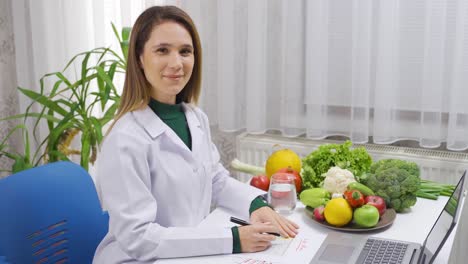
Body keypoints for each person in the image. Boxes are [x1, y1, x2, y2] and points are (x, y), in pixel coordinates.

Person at [93, 5, 299, 263]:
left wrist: (256, 206)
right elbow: (139, 237)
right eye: (162, 50)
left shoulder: (194, 117)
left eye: (185, 51)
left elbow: (216, 180)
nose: (176, 63)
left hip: (188, 254)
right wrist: (234, 239)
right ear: (139, 59)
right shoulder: (124, 139)